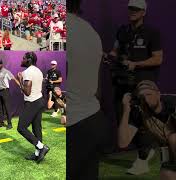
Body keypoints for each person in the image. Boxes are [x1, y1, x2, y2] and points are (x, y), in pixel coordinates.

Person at [107, 0, 163, 174]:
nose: (133, 11)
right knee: (121, 118)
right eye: (131, 8)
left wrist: (135, 64)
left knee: (140, 121)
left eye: (137, 9)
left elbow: (158, 58)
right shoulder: (122, 31)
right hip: (121, 83)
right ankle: (146, 152)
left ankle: (143, 159)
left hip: (142, 84)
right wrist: (110, 57)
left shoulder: (152, 33)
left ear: (144, 12)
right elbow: (115, 51)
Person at [67, 0, 112, 179]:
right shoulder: (91, 31)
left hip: (76, 124)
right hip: (92, 118)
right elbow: (98, 88)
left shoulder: (67, 29)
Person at [118, 80, 176, 180]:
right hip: (168, 151)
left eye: (149, 94)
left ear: (158, 94)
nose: (146, 99)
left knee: (173, 138)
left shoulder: (172, 102)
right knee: (166, 174)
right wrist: (126, 110)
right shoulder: (139, 112)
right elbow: (123, 143)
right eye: (142, 96)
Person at [17, 51, 49, 164]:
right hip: (40, 101)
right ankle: (37, 154)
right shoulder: (38, 71)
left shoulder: (27, 72)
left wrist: (20, 80)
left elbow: (27, 92)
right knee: (36, 128)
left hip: (32, 102)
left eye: (23, 58)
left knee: (21, 127)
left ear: (28, 60)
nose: (22, 60)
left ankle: (41, 147)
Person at [0, 59, 20, 129]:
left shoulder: (6, 71)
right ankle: (0, 123)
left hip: (5, 91)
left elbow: (14, 79)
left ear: (2, 64)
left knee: (7, 108)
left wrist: (21, 86)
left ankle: (9, 124)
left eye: (0, 63)